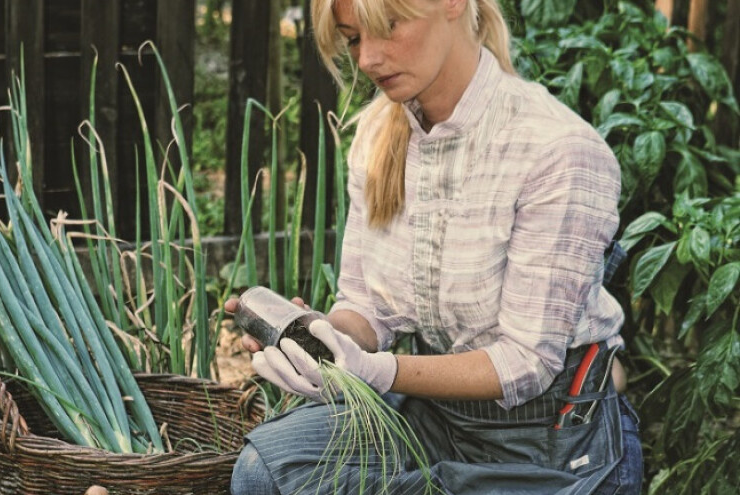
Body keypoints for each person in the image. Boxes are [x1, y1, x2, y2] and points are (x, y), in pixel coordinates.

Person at [227, 0, 643, 493]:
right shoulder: (378, 132)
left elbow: (525, 363)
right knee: (265, 473)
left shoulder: (557, 150)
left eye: (388, 27)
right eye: (354, 38)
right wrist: (322, 340)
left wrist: (379, 371)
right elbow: (365, 307)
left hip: (553, 442)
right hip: (435, 417)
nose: (366, 60)